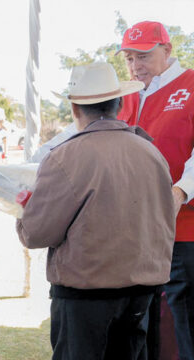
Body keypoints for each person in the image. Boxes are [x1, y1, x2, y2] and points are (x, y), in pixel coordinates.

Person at [16, 62, 176, 360]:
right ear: (118, 103)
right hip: (142, 292)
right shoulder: (151, 152)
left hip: (86, 298)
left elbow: (37, 233)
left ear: (75, 109)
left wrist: (22, 210)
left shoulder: (65, 156)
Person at [116, 21, 194, 360]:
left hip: (185, 229)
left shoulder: (191, 86)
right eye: (129, 59)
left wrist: (181, 191)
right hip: (137, 232)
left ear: (168, 50)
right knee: (140, 323)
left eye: (143, 56)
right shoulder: (126, 94)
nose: (136, 66)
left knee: (186, 321)